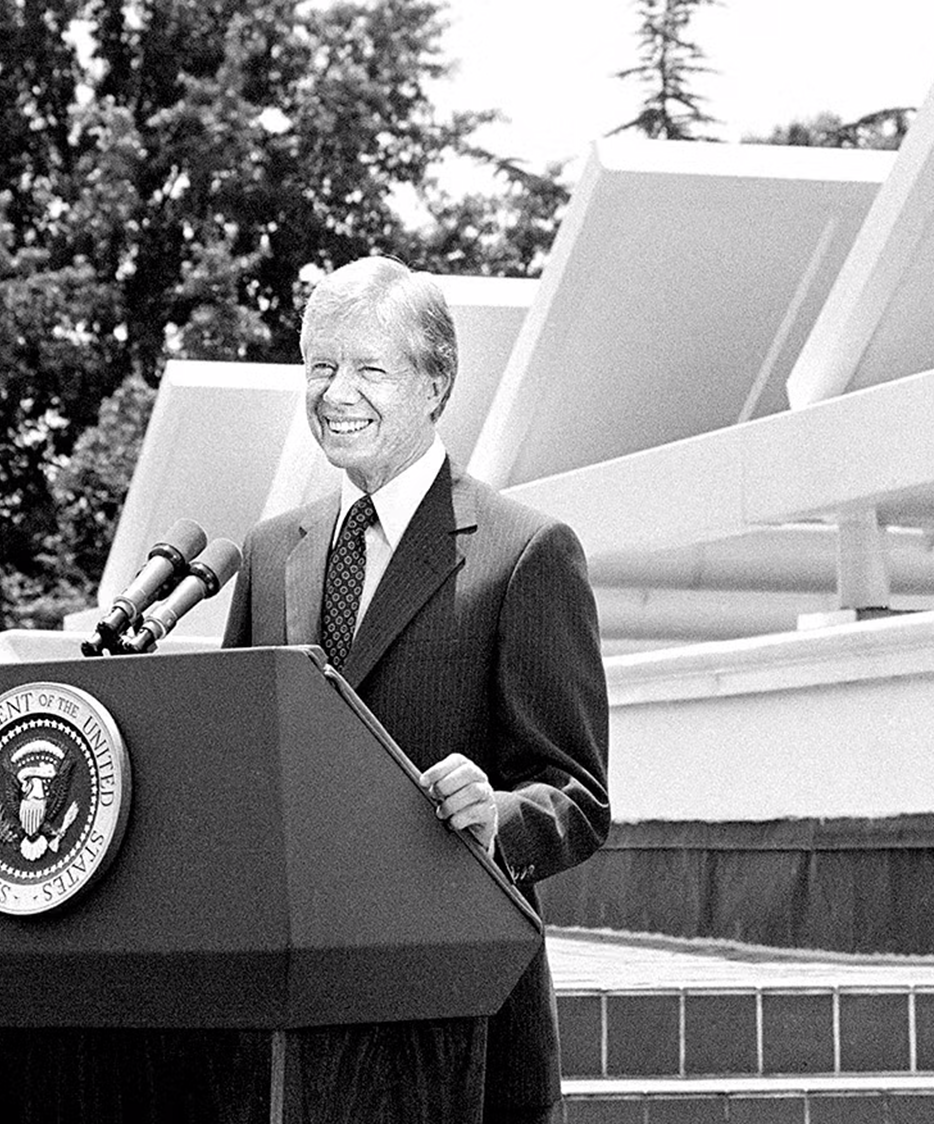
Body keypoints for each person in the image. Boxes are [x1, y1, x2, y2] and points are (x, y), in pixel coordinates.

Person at [222, 256, 609, 1123]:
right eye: (320, 366)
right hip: (286, 1031)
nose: (335, 393)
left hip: (460, 1030)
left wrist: (497, 813)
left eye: (369, 368)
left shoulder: (525, 552)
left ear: (437, 384)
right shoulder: (269, 552)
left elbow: (579, 800)